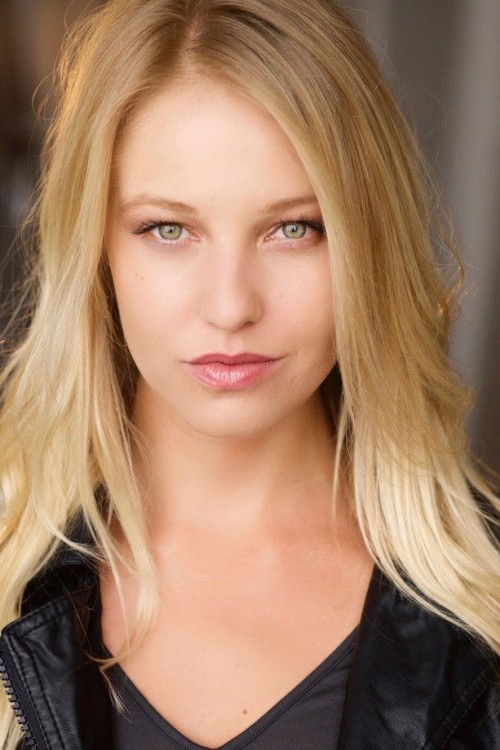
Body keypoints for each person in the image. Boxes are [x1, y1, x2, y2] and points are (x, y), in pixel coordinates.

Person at [0, 0, 498, 747]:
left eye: (293, 228)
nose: (231, 306)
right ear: (96, 250)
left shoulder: (485, 604)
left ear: (367, 247)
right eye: (168, 229)